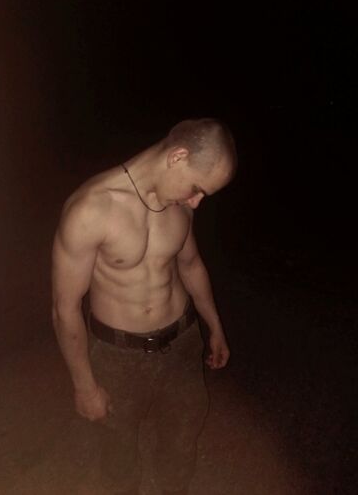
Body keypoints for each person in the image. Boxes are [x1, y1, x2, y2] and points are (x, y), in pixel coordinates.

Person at [51, 118, 237, 495]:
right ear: (178, 157)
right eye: (197, 188)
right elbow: (64, 308)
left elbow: (191, 265)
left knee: (183, 440)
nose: (196, 202)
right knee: (118, 455)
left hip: (182, 344)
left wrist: (214, 327)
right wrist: (84, 385)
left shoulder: (180, 206)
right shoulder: (91, 210)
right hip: (117, 355)